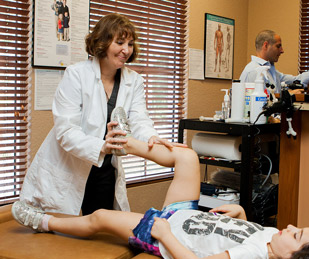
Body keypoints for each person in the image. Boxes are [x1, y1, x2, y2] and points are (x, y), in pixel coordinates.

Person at [13, 133, 309, 259]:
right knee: (187, 156)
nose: (289, 227)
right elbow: (252, 230)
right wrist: (242, 214)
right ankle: (120, 140)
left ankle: (42, 221)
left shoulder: (254, 257)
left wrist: (164, 234)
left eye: (297, 234)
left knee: (99, 217)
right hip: (185, 213)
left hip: (166, 233)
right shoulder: (272, 236)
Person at [20, 13, 186, 219]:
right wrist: (101, 146)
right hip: (68, 165)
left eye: (130, 44)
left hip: (104, 169)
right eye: (120, 42)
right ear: (102, 42)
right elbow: (66, 131)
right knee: (62, 236)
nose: (126, 50)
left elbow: (139, 119)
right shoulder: (76, 75)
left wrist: (151, 136)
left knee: (101, 234)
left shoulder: (134, 81)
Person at [240, 30, 309, 94]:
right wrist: (290, 95)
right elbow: (259, 104)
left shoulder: (272, 72)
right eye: (278, 46)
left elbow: (297, 80)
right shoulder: (253, 71)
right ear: (266, 45)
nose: (282, 50)